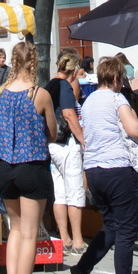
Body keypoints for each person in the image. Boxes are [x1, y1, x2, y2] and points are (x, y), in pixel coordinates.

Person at [0, 40, 57, 274]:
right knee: (29, 234)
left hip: (4, 168)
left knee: (14, 229)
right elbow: (51, 132)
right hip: (31, 167)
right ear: (34, 62)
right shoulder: (39, 94)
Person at [69, 55, 138, 274]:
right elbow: (134, 130)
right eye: (122, 79)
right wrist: (133, 116)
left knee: (111, 227)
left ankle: (82, 268)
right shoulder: (117, 99)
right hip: (116, 168)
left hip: (93, 170)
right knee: (126, 229)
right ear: (115, 78)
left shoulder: (89, 100)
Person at [46, 50, 86, 255]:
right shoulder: (64, 86)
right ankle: (78, 240)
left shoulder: (49, 84)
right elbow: (69, 114)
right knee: (75, 192)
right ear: (74, 70)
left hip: (52, 143)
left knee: (59, 193)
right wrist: (82, 139)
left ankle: (65, 238)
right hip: (66, 143)